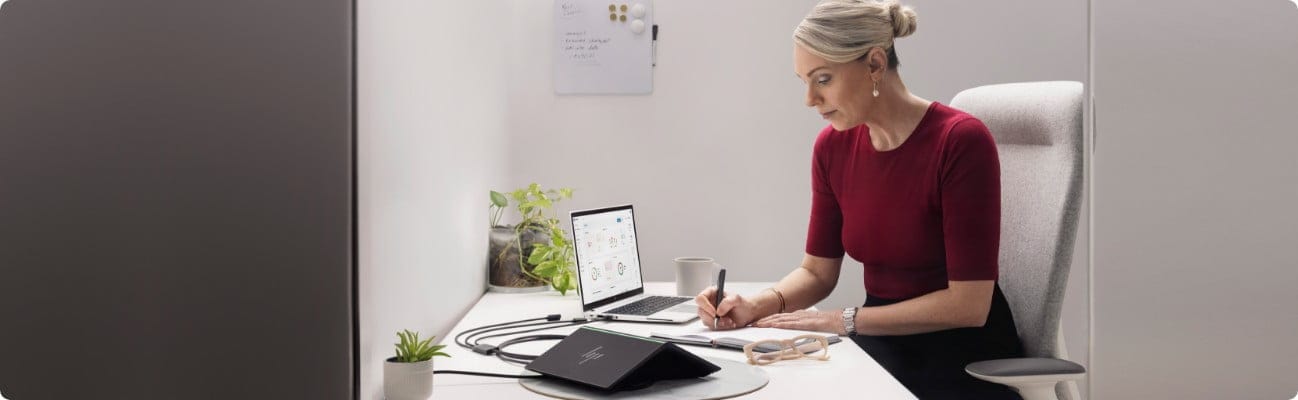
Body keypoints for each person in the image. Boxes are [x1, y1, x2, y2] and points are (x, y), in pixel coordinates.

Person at [695, 1, 1025, 399]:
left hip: (963, 356)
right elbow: (817, 273)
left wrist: (844, 320)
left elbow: (968, 305)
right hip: (880, 343)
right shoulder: (832, 147)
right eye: (803, 81)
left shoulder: (960, 142)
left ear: (873, 64)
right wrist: (755, 305)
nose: (810, 99)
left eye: (823, 78)